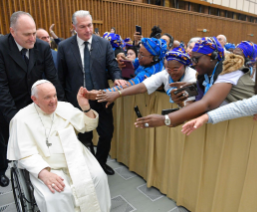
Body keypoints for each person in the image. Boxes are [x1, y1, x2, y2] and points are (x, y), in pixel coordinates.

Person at [7, 80, 111, 212]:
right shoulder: (21, 119)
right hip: (48, 166)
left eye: (54, 95)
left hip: (76, 156)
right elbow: (25, 153)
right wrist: (43, 173)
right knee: (58, 195)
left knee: (98, 178)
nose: (53, 101)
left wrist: (85, 107)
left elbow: (88, 125)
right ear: (35, 99)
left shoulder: (64, 107)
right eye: (47, 97)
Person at [57, 10, 126, 175]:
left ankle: (100, 163)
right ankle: (89, 168)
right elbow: (60, 76)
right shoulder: (64, 47)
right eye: (82, 27)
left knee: (107, 133)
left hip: (102, 99)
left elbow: (112, 65)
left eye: (90, 25)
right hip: (78, 102)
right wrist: (64, 102)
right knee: (84, 137)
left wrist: (117, 78)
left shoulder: (104, 44)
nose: (88, 30)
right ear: (73, 27)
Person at [0, 11, 64, 187]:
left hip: (34, 104)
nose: (32, 38)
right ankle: (2, 169)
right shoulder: (1, 47)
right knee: (10, 144)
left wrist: (60, 108)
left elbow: (53, 80)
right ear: (13, 32)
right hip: (8, 104)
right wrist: (15, 120)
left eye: (34, 33)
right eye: (27, 34)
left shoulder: (42, 48)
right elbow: (2, 88)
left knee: (39, 143)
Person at [134, 37, 255, 128]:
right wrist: (182, 102)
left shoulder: (229, 71)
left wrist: (165, 119)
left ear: (213, 56)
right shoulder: (205, 75)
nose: (193, 63)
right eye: (192, 59)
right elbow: (199, 108)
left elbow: (207, 104)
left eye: (196, 59)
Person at [92, 47, 196, 108]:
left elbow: (193, 107)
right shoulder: (165, 74)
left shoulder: (193, 78)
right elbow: (142, 86)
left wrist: (179, 102)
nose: (171, 73)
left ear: (185, 66)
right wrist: (116, 93)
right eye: (168, 69)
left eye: (175, 69)